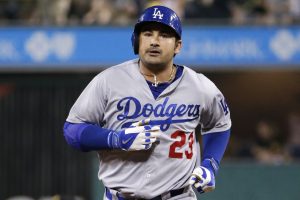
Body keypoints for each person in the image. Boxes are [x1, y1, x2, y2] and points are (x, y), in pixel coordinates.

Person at [63, 5, 231, 200]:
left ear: (178, 45)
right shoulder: (109, 80)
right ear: (137, 41)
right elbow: (72, 131)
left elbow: (220, 124)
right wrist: (116, 139)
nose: (154, 41)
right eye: (148, 34)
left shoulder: (199, 86)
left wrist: (210, 165)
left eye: (164, 35)